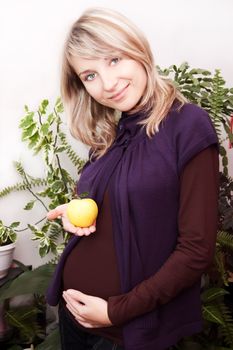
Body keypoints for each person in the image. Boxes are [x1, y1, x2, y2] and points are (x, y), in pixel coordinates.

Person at [46, 7, 219, 350]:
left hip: (124, 329)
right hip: (75, 317)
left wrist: (115, 311)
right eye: (90, 75)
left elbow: (196, 250)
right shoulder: (109, 135)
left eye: (113, 60)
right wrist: (76, 216)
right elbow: (111, 208)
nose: (107, 84)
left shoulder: (187, 125)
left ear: (137, 49)